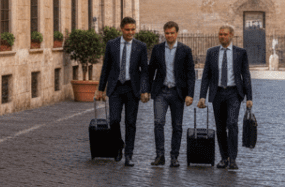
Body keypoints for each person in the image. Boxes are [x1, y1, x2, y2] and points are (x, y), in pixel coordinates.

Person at [95, 17, 150, 166]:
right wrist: (100, 89)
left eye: (133, 29)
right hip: (115, 88)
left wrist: (145, 89)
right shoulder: (111, 44)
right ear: (121, 29)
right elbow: (106, 67)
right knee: (114, 120)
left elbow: (145, 71)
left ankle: (129, 155)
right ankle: (119, 144)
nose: (130, 32)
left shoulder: (140, 46)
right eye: (127, 30)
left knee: (130, 122)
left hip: (132, 89)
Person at [198, 25, 253, 170]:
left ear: (231, 35)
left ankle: (233, 158)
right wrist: (202, 96)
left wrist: (249, 97)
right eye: (220, 34)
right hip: (217, 93)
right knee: (220, 128)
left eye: (225, 34)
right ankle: (224, 157)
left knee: (232, 123)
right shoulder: (211, 52)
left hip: (234, 93)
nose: (222, 37)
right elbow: (206, 76)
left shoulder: (240, 53)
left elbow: (246, 75)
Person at [146, 21, 196, 167]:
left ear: (177, 33)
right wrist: (147, 90)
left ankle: (174, 157)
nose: (169, 35)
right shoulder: (157, 49)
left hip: (177, 93)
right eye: (167, 33)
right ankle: (160, 155)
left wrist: (190, 94)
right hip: (160, 92)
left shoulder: (185, 50)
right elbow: (150, 71)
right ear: (164, 34)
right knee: (158, 123)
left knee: (177, 126)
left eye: (172, 33)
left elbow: (190, 74)